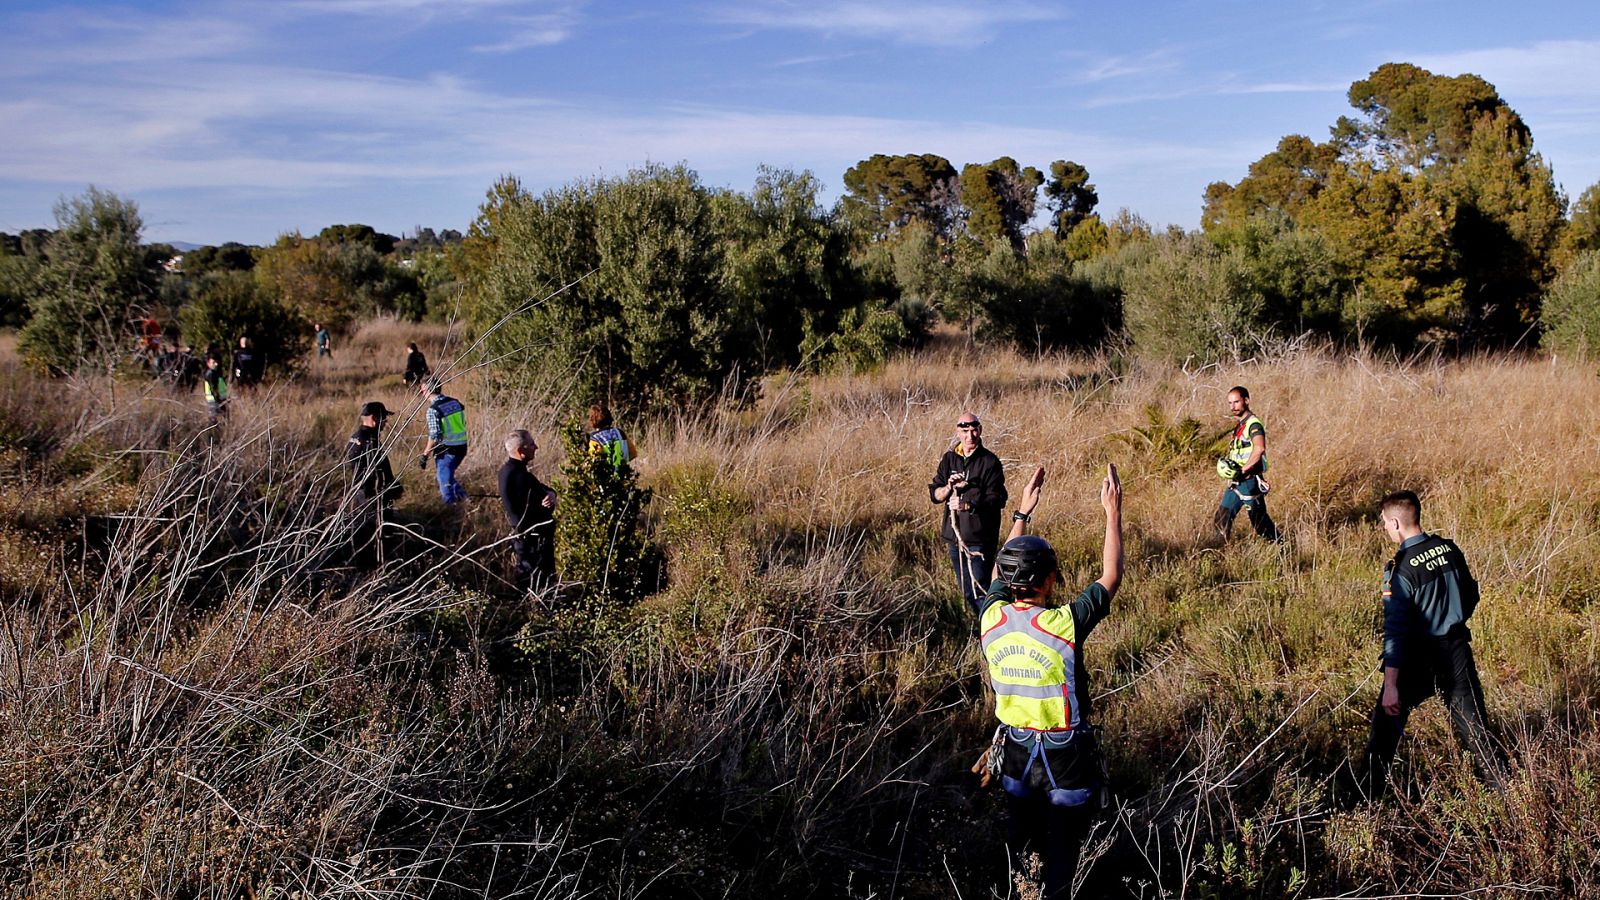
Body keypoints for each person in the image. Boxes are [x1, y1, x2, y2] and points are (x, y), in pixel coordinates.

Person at [975, 464, 1123, 900]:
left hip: (1015, 752)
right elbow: (1110, 577)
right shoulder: (1063, 623)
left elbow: (1000, 578)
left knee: (1021, 840)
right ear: (1051, 580)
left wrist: (1022, 511)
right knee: (1064, 850)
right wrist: (1112, 514)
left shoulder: (990, 617)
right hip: (1066, 756)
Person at [1362, 490, 1508, 796]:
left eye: (1385, 524)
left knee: (1385, 733)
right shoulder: (1449, 549)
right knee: (1476, 731)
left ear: (1397, 523)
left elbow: (1396, 631)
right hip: (1456, 651)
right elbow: (1471, 595)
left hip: (1417, 658)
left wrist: (1391, 684)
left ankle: (1366, 799)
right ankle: (1507, 794)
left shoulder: (1400, 570)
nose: (1385, 529)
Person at [929, 413, 1008, 614]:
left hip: (980, 539)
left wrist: (967, 504)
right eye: (965, 431)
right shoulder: (949, 459)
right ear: (958, 432)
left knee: (980, 589)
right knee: (966, 590)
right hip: (955, 538)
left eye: (974, 430)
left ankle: (993, 630)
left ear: (980, 430)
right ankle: (986, 627)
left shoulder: (989, 462)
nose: (969, 436)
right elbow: (935, 494)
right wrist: (948, 487)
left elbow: (998, 498)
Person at [1213, 386, 1279, 541]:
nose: (1233, 407)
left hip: (1249, 481)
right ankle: (1220, 555)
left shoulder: (1254, 424)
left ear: (1246, 401)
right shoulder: (1241, 424)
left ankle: (1284, 550)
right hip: (1238, 480)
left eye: (1236, 402)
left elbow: (1259, 449)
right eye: (1230, 403)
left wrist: (1243, 470)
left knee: (1261, 525)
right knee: (1221, 519)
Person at [499, 429, 559, 591]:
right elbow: (520, 511)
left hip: (532, 539)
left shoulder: (516, 472)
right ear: (521, 450)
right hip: (531, 541)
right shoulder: (515, 475)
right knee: (534, 584)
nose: (536, 447)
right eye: (531, 444)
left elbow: (541, 489)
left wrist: (551, 494)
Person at [346, 401, 402, 564]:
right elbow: (378, 470)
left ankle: (369, 564)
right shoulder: (370, 441)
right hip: (373, 495)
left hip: (361, 494)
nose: (386, 422)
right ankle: (381, 567)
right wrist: (391, 488)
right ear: (374, 418)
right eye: (384, 418)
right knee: (380, 534)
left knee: (365, 531)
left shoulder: (355, 437)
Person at [419, 378, 468, 504]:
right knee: (448, 476)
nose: (422, 393)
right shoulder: (455, 402)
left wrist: (425, 455)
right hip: (462, 447)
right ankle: (465, 499)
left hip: (447, 450)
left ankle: (450, 508)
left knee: (444, 480)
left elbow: (435, 436)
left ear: (428, 391)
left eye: (422, 391)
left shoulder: (433, 410)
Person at [586, 403, 636, 469]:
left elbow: (593, 460)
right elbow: (633, 453)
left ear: (592, 420)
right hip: (623, 474)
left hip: (605, 475)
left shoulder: (595, 438)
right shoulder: (620, 432)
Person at [201, 354, 229, 423]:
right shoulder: (210, 374)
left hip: (219, 399)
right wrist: (219, 399)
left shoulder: (215, 373)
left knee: (223, 419)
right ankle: (212, 433)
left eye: (216, 362)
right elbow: (213, 389)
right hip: (214, 400)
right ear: (208, 364)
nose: (216, 364)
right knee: (214, 420)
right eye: (213, 362)